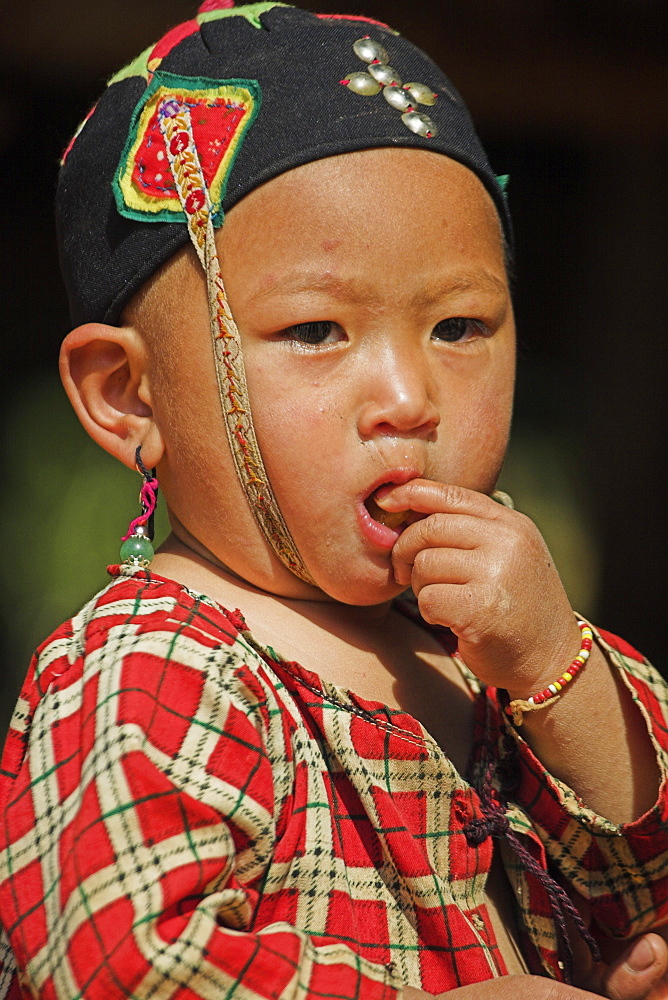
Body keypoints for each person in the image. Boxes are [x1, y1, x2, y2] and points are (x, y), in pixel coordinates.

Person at [0, 3, 666, 999]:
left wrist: (551, 666)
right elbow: (121, 968)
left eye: (459, 325)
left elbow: (635, 888)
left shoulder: (480, 657)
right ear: (128, 394)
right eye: (316, 330)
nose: (408, 398)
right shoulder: (154, 668)